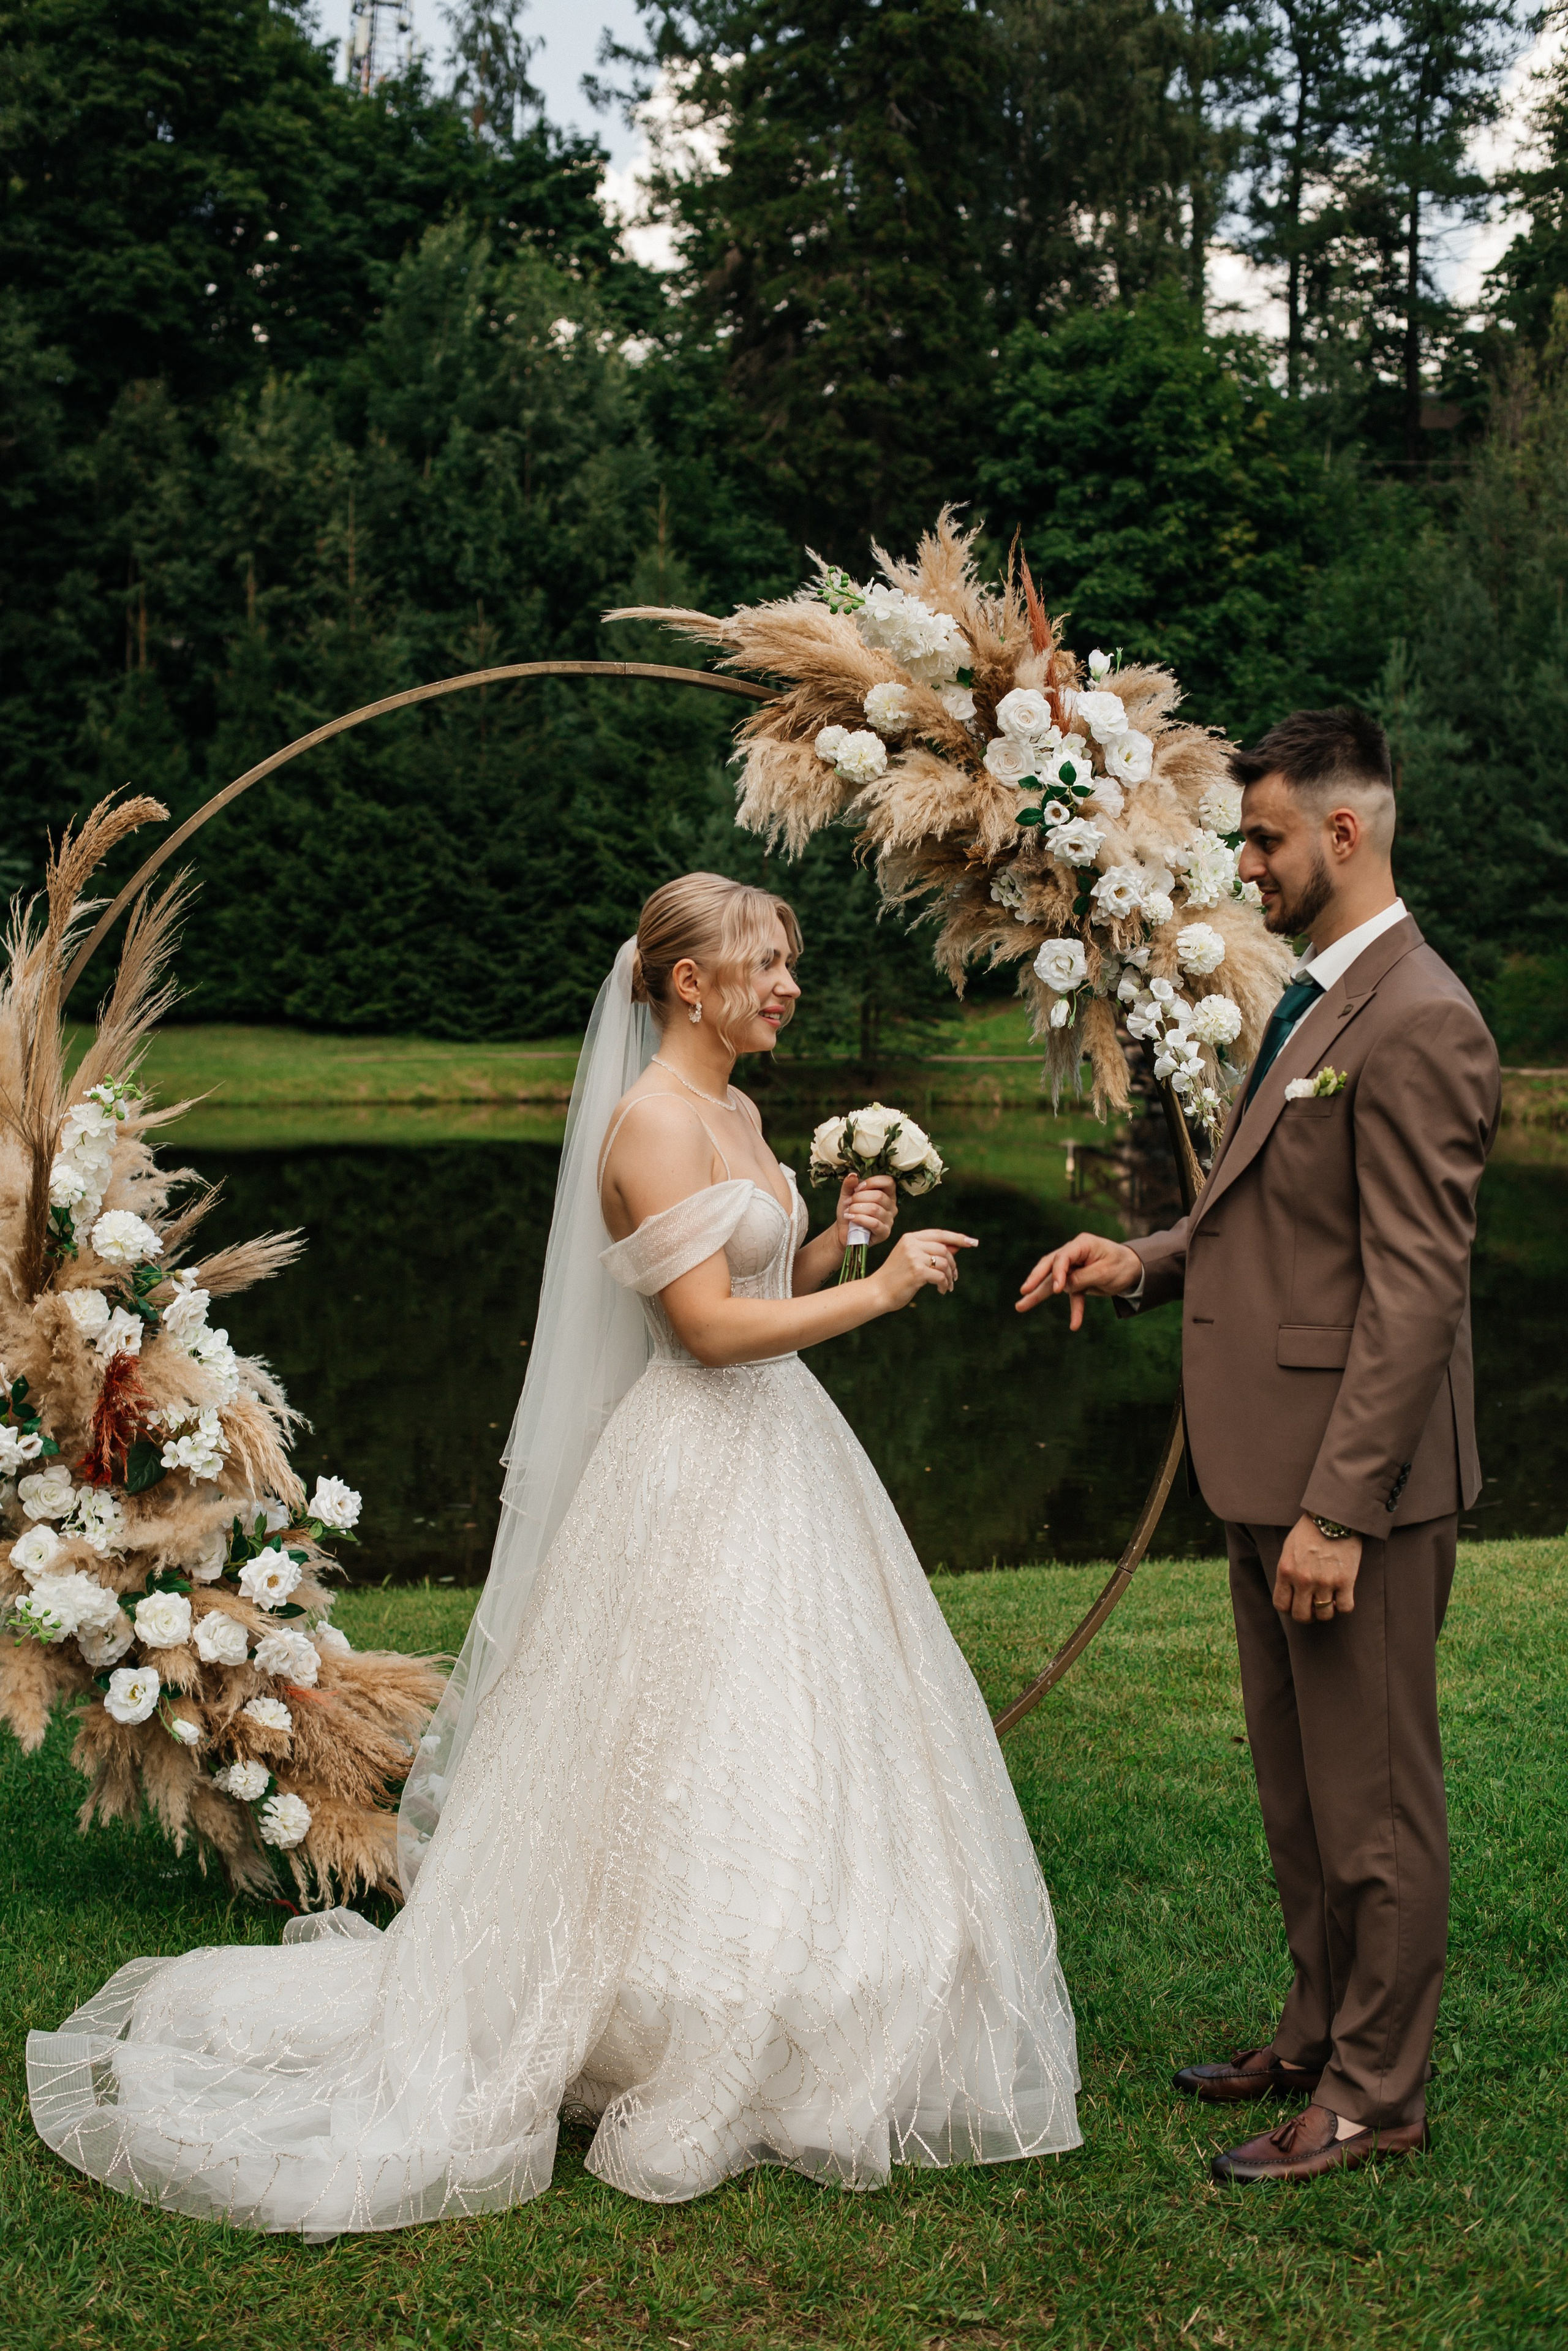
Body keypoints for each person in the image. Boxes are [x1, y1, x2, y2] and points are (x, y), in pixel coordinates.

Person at [29, 872, 1079, 2235]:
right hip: (693, 1457)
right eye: (766, 964)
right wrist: (870, 1299)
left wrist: (841, 1243)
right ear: (686, 983)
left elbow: (761, 1288)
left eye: (790, 964)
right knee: (670, 1725)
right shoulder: (647, 1123)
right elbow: (702, 1332)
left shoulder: (742, 1112)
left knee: (790, 1719)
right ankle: (654, 1999)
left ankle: (825, 1961)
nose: (788, 985)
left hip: (783, 1453)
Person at [1020, 709, 1499, 2184]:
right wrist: (1146, 1258)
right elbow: (1270, 1218)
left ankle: (1373, 2091)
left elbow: (1412, 1290)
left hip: (1346, 1486)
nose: (1246, 861)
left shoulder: (1423, 1018)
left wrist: (1338, 1514)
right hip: (1260, 1464)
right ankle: (1308, 2029)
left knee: (1373, 1807)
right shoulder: (1309, 1000)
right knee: (1297, 1795)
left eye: (1265, 838)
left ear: (1343, 835)